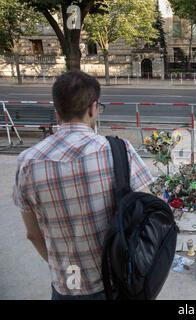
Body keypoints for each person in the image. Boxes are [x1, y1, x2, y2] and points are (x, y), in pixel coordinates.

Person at [12, 71, 154, 300]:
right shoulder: (119, 150)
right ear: (93, 108)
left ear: (57, 112)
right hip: (114, 282)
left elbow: (33, 234)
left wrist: (64, 266)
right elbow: (148, 212)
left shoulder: (27, 162)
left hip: (67, 283)